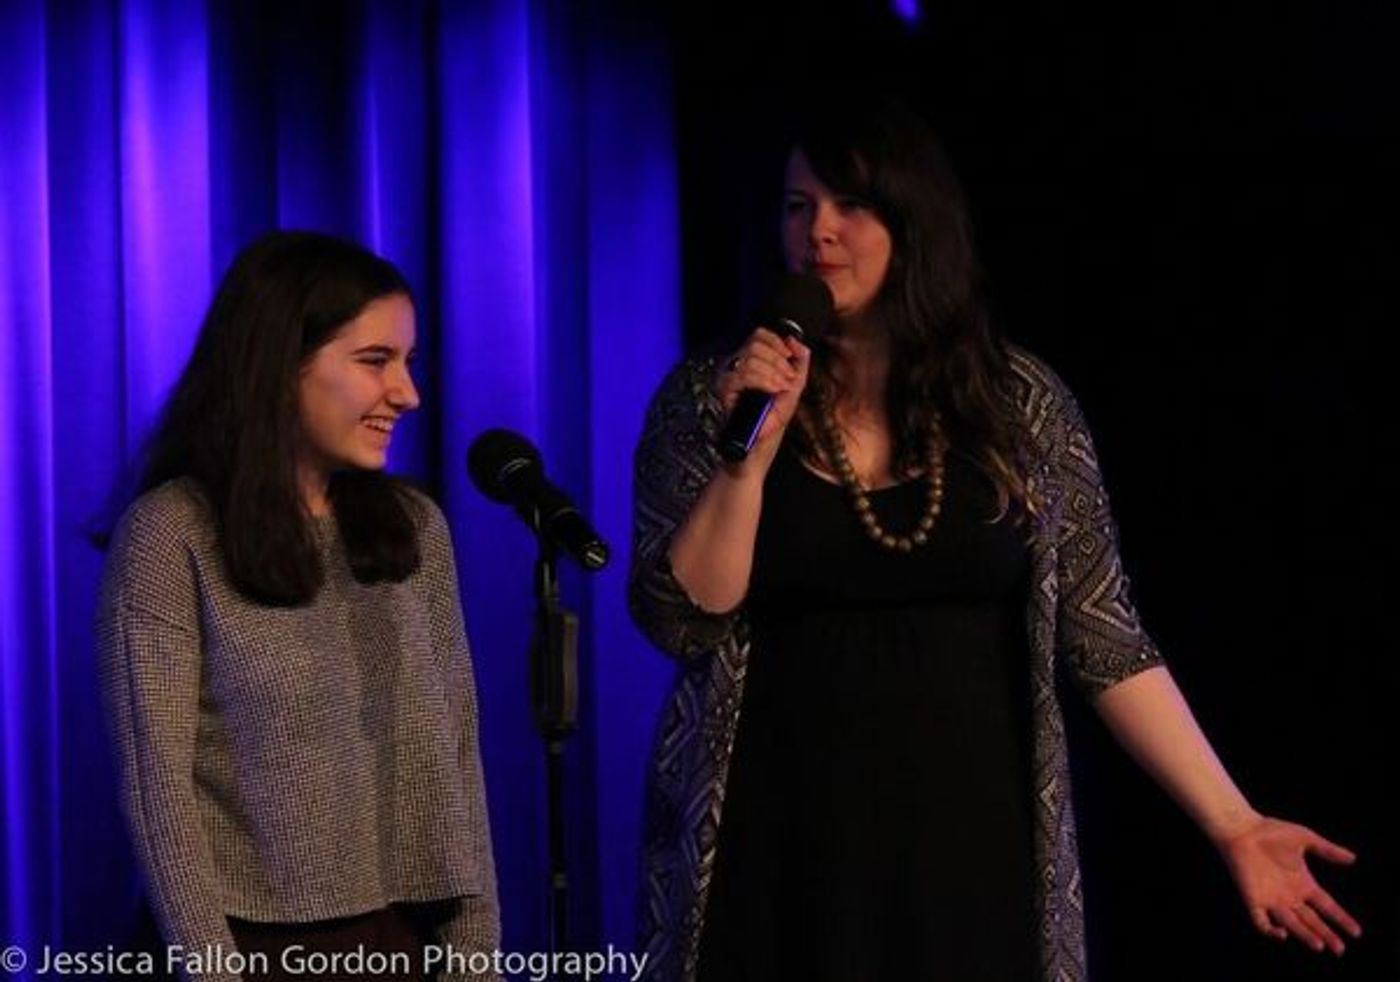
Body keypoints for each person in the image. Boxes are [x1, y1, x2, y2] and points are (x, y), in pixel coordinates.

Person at [629, 102, 1361, 982]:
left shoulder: (1018, 405)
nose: (817, 231)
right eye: (796, 205)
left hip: (971, 851)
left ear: (915, 221)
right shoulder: (713, 396)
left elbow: (1106, 636)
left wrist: (1232, 822)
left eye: (850, 204)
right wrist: (746, 458)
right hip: (774, 842)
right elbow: (683, 620)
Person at [96, 231, 499, 981]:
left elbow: (457, 753)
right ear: (280, 368)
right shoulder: (171, 534)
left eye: (408, 363)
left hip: (397, 942)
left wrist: (476, 956)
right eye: (375, 361)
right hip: (246, 948)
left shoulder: (414, 529)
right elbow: (159, 794)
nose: (407, 393)